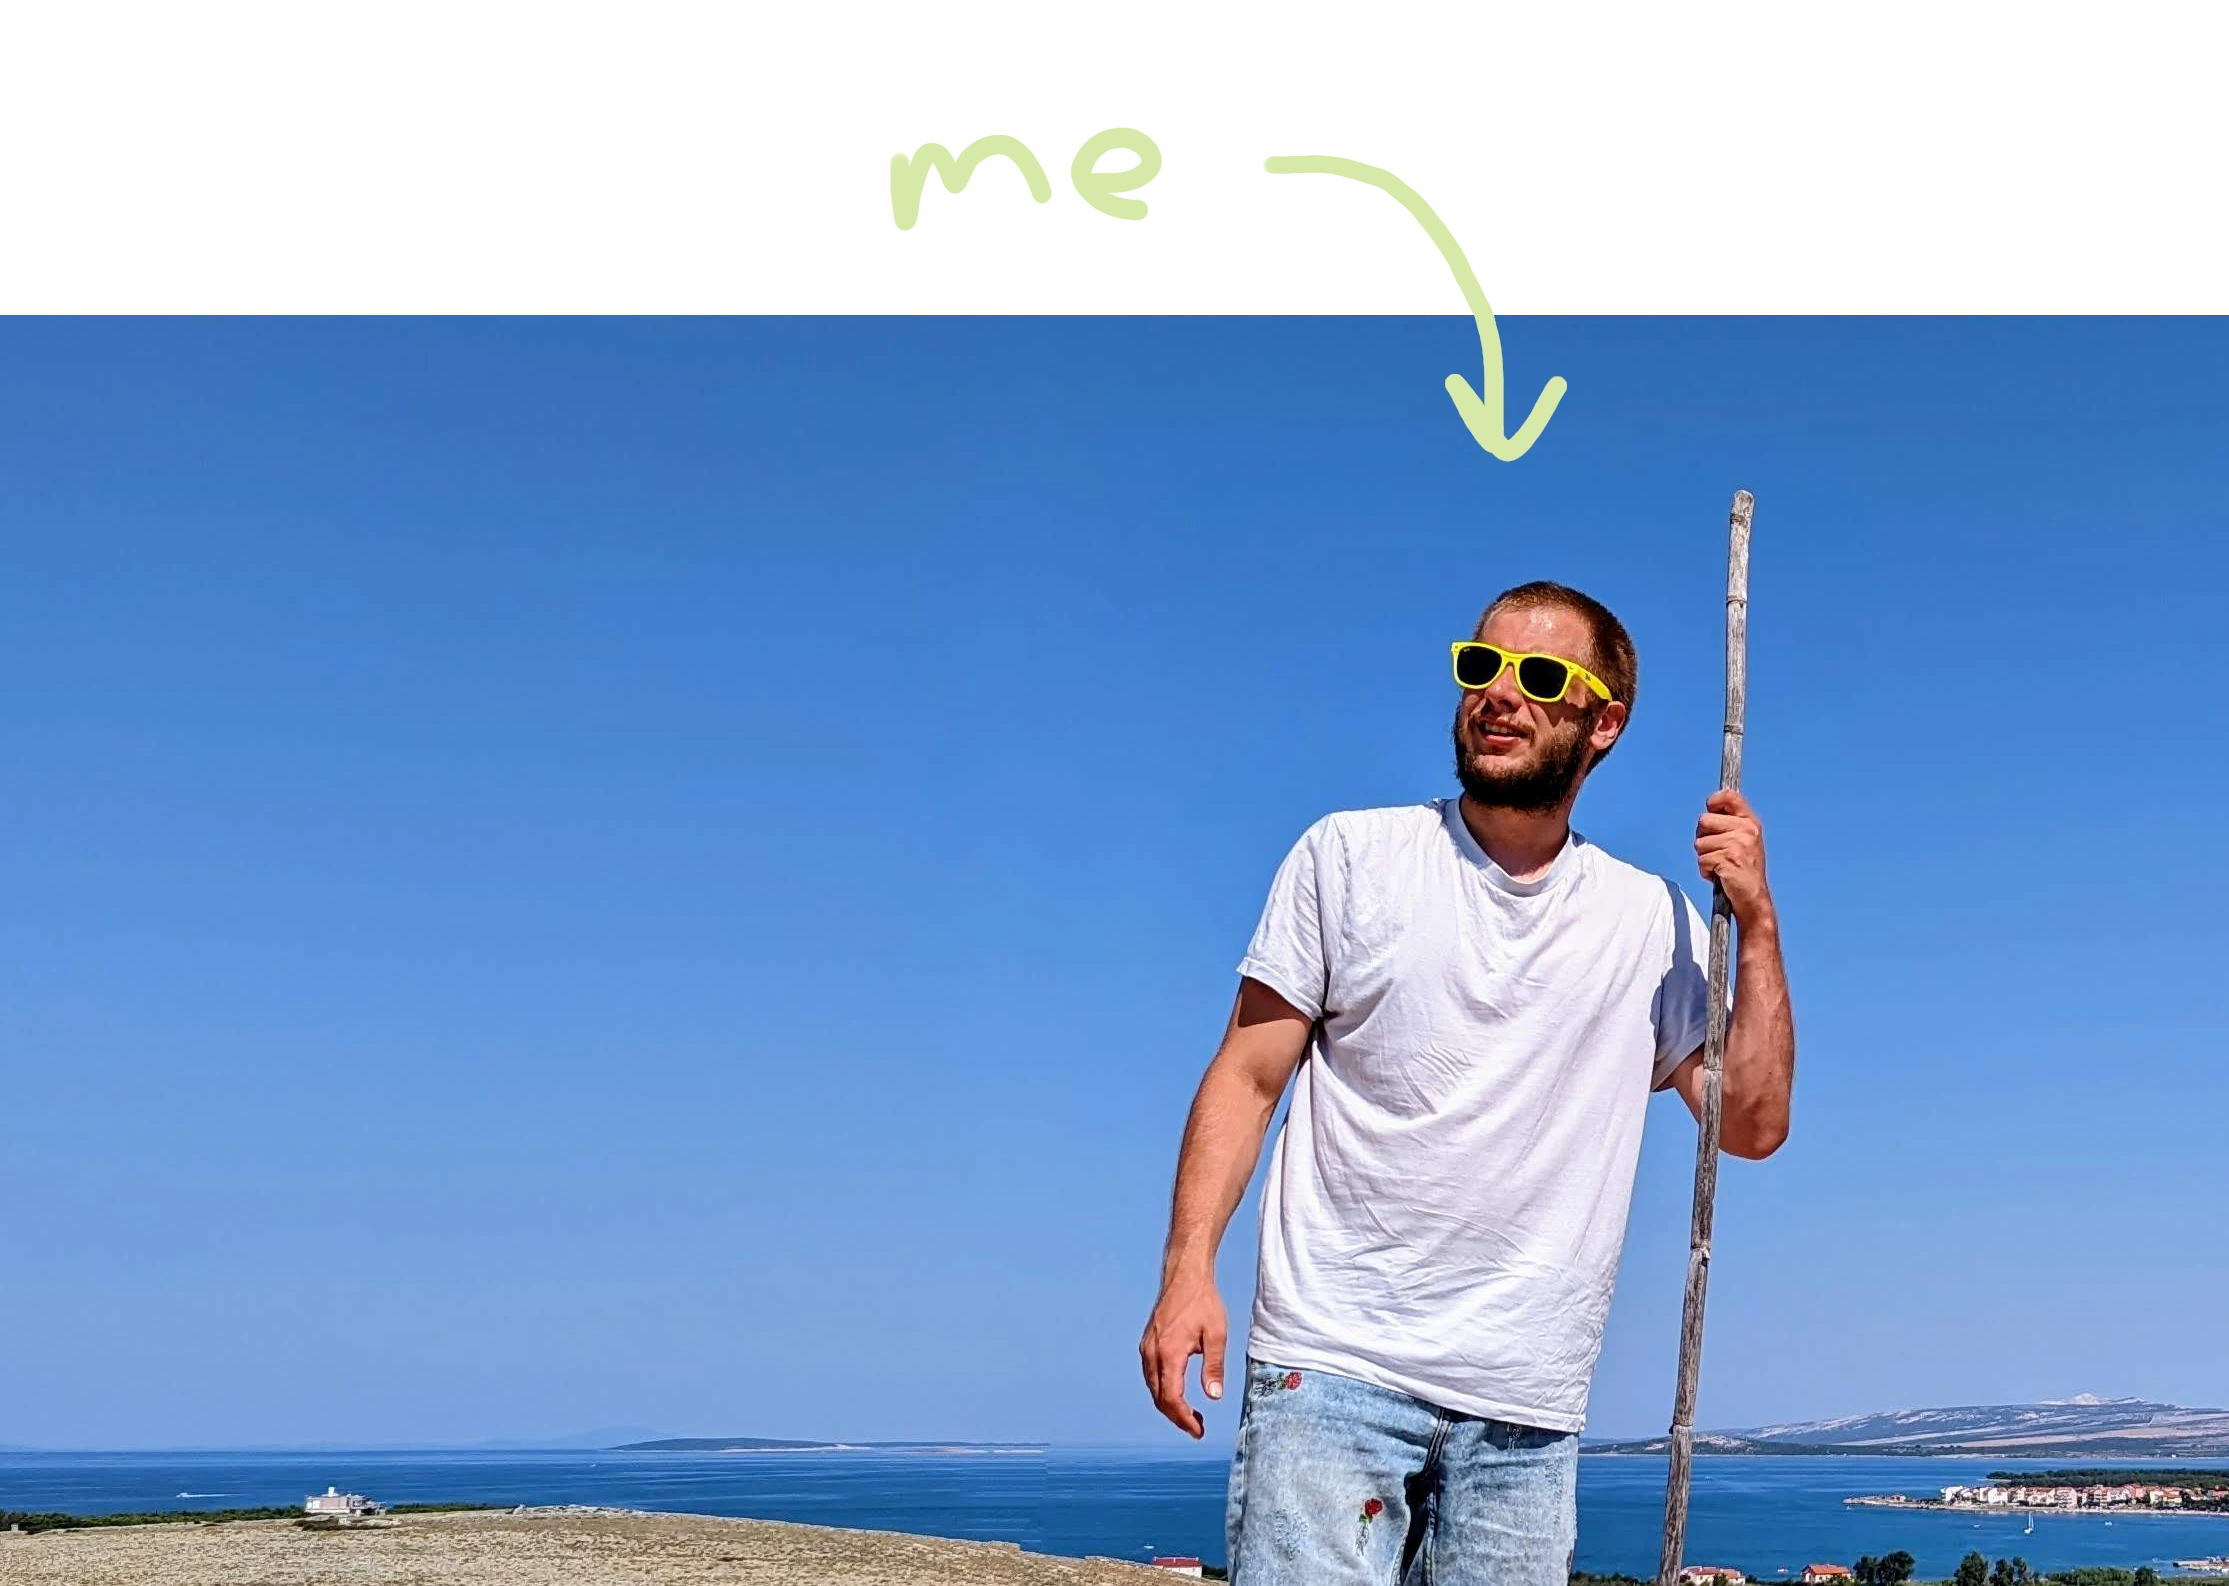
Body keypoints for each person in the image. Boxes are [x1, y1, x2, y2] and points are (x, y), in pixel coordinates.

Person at [1138, 581, 1796, 1586]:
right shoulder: (1349, 856)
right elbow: (1247, 1071)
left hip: (1528, 1409)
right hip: (1332, 1369)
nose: (1499, 693)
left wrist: (1755, 922)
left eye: (1539, 676)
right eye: (1480, 666)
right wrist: (1188, 1270)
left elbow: (1749, 1123)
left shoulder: (1649, 920)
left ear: (1604, 720)